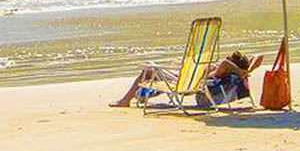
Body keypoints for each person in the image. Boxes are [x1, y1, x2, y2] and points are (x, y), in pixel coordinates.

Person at [110, 51, 265, 108]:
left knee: (148, 70)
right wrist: (246, 70)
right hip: (189, 79)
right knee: (154, 72)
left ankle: (125, 100)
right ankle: (141, 96)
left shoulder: (222, 70)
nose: (225, 58)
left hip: (187, 83)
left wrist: (238, 70)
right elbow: (258, 57)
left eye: (229, 57)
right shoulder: (231, 73)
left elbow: (225, 63)